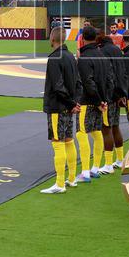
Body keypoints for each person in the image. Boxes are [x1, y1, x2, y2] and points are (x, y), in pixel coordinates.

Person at [41, 27, 80, 195]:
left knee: (58, 143)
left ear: (52, 39)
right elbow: (78, 83)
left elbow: (57, 86)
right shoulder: (71, 56)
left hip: (58, 106)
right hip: (68, 107)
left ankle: (59, 183)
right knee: (69, 141)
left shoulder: (54, 58)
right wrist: (75, 103)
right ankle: (71, 179)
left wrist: (71, 103)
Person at [75, 25, 108, 183]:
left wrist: (97, 100)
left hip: (88, 101)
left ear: (82, 38)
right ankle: (95, 168)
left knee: (82, 133)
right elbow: (108, 80)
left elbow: (88, 82)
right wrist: (103, 100)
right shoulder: (102, 55)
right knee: (96, 132)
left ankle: (85, 172)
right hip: (99, 100)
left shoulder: (84, 58)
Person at [98, 30, 127, 171]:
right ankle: (120, 159)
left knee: (106, 128)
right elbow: (122, 72)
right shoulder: (117, 50)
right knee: (115, 126)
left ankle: (108, 164)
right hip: (117, 93)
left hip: (108, 95)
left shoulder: (102, 52)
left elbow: (106, 76)